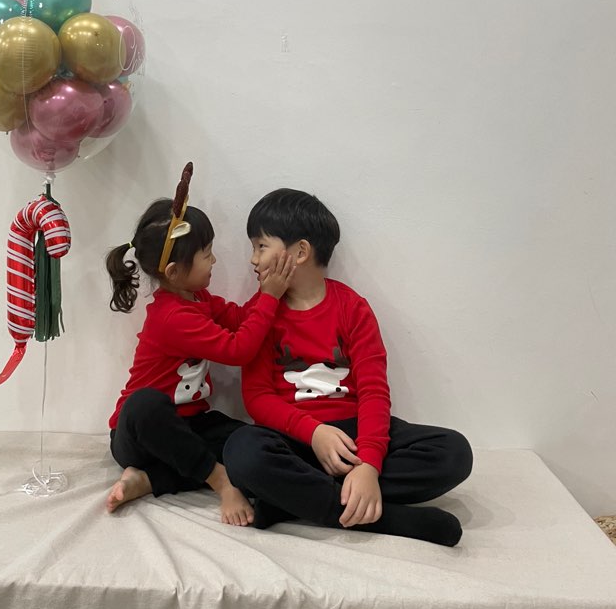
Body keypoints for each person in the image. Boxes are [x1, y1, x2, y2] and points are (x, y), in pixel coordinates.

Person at [223, 188, 473, 546]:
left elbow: (373, 391)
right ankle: (387, 518)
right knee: (242, 450)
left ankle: (291, 501)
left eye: (261, 246)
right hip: (295, 438)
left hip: (354, 436)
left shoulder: (352, 308)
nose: (253, 259)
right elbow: (257, 398)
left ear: (300, 252)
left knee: (454, 452)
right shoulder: (260, 312)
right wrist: (315, 433)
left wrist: (368, 464)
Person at [105, 179, 294, 525]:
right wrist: (271, 297)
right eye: (206, 254)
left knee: (250, 441)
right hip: (140, 435)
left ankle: (149, 480)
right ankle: (220, 481)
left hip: (188, 427)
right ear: (174, 272)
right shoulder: (172, 317)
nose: (214, 260)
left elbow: (239, 319)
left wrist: (267, 288)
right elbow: (238, 350)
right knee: (147, 404)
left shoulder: (198, 298)